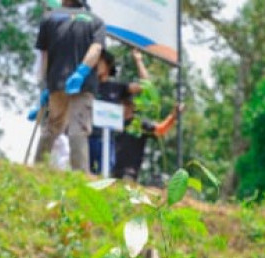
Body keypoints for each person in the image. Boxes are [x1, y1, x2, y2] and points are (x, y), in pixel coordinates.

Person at [32, 0, 105, 173]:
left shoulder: (49, 18)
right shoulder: (95, 20)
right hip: (82, 83)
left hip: (56, 82)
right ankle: (80, 175)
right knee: (78, 128)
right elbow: (96, 49)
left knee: (52, 126)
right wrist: (82, 71)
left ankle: (37, 170)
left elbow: (45, 56)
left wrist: (45, 85)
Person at [89, 48, 149, 174]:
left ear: (107, 66)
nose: (94, 64)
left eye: (98, 62)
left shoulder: (117, 88)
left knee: (104, 176)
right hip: (88, 138)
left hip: (106, 140)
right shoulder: (87, 86)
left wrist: (138, 61)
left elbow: (146, 85)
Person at [113, 100, 183, 181]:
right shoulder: (114, 122)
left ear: (132, 106)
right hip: (111, 168)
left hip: (129, 171)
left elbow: (160, 130)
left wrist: (173, 116)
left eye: (125, 104)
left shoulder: (140, 123)